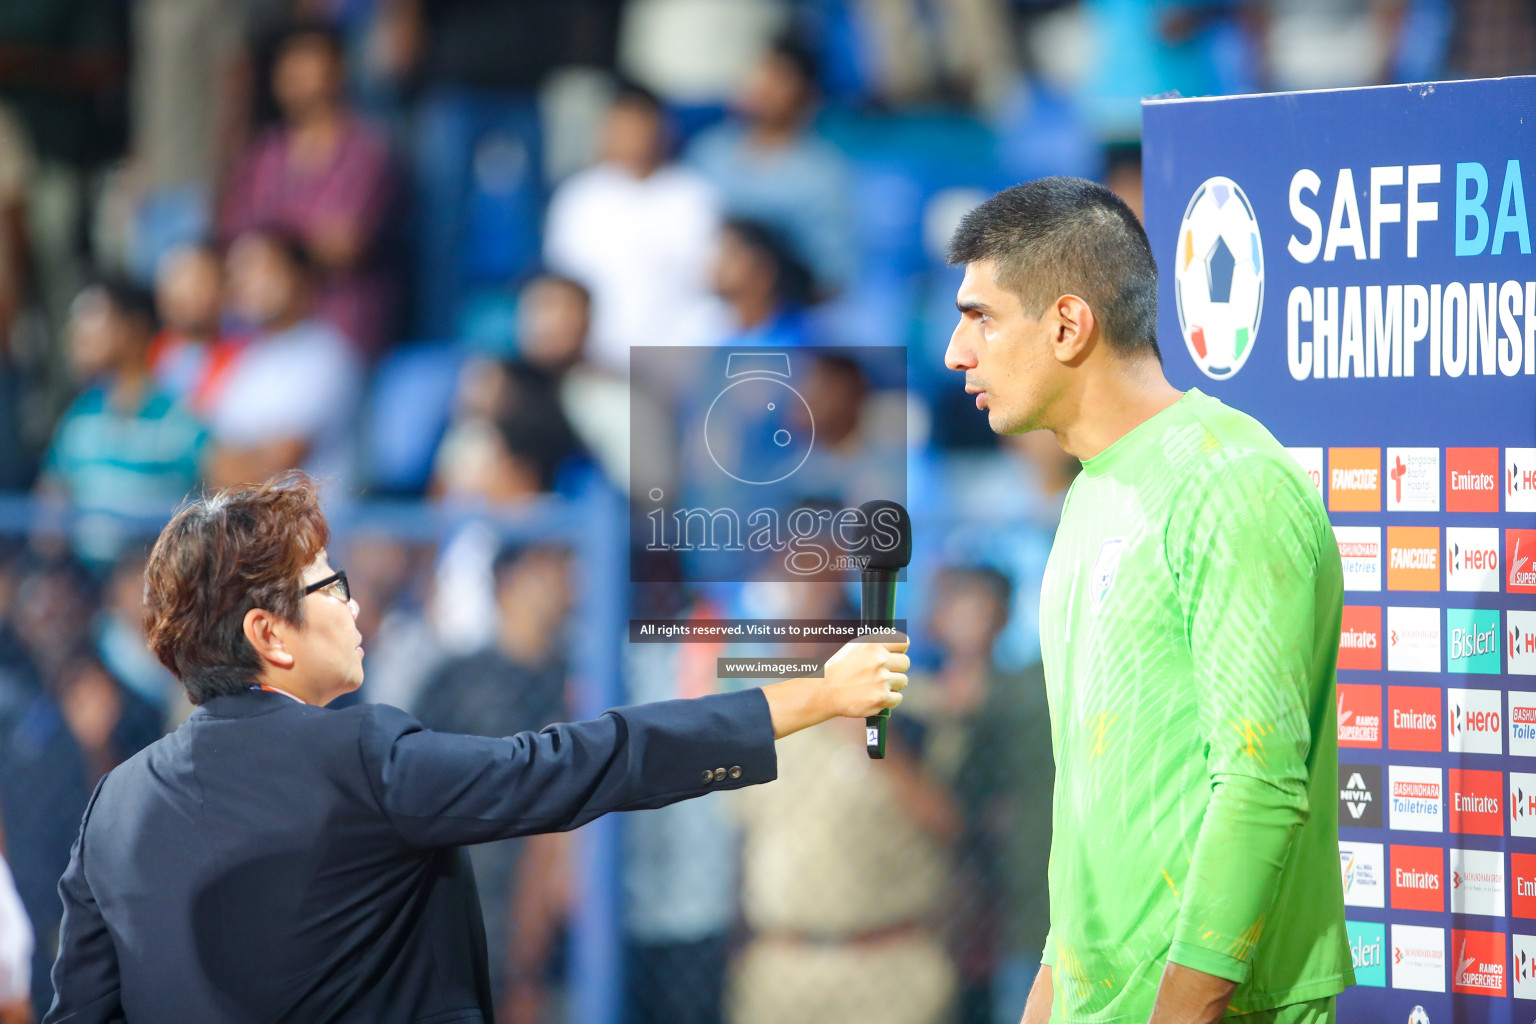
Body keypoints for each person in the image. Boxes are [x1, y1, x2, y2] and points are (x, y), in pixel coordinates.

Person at [43, 471, 910, 1022]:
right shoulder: (360, 757)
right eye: (329, 585)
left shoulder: (113, 806)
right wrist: (818, 695)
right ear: (269, 633)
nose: (351, 604)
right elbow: (587, 761)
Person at [943, 177, 1352, 1024]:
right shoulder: (1089, 495)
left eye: (980, 316)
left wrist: (1180, 1011)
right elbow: (1097, 811)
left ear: (1067, 324)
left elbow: (1260, 784)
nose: (956, 350)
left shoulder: (1231, 481)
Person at [219, 22, 401, 354]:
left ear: (339, 68)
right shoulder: (264, 153)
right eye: (286, 61)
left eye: (306, 58)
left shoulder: (367, 149)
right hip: (261, 326)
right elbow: (235, 235)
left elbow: (345, 244)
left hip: (339, 325)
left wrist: (274, 248)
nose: (294, 71)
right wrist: (298, 243)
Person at [543, 81, 720, 372]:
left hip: (676, 360)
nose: (631, 137)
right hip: (593, 362)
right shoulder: (576, 198)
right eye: (621, 125)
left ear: (661, 129)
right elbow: (563, 289)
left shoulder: (694, 197)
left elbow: (707, 290)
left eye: (640, 125)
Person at [38, 279, 206, 565]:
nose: (76, 333)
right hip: (85, 586)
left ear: (135, 331)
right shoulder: (80, 416)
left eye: (92, 318)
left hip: (155, 586)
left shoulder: (180, 419)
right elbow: (48, 515)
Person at [687, 35, 853, 294]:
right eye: (762, 72)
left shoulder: (822, 173)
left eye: (780, 77)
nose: (764, 86)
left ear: (806, 93)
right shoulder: (709, 152)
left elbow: (830, 276)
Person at [203, 229, 362, 492]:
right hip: (247, 522)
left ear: (300, 275)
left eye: (259, 269)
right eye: (238, 273)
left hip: (309, 527)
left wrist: (234, 462)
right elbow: (212, 458)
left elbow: (277, 465)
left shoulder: (327, 355)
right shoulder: (247, 356)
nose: (246, 283)